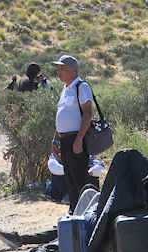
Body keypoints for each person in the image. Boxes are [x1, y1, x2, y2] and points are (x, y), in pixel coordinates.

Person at [50, 55, 93, 215]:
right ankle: (74, 212)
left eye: (63, 68)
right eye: (58, 68)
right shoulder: (65, 89)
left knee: (80, 179)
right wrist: (55, 139)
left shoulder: (81, 87)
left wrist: (79, 139)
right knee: (69, 178)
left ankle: (85, 214)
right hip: (65, 140)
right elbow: (61, 116)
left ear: (73, 70)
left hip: (76, 139)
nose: (59, 71)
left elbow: (87, 114)